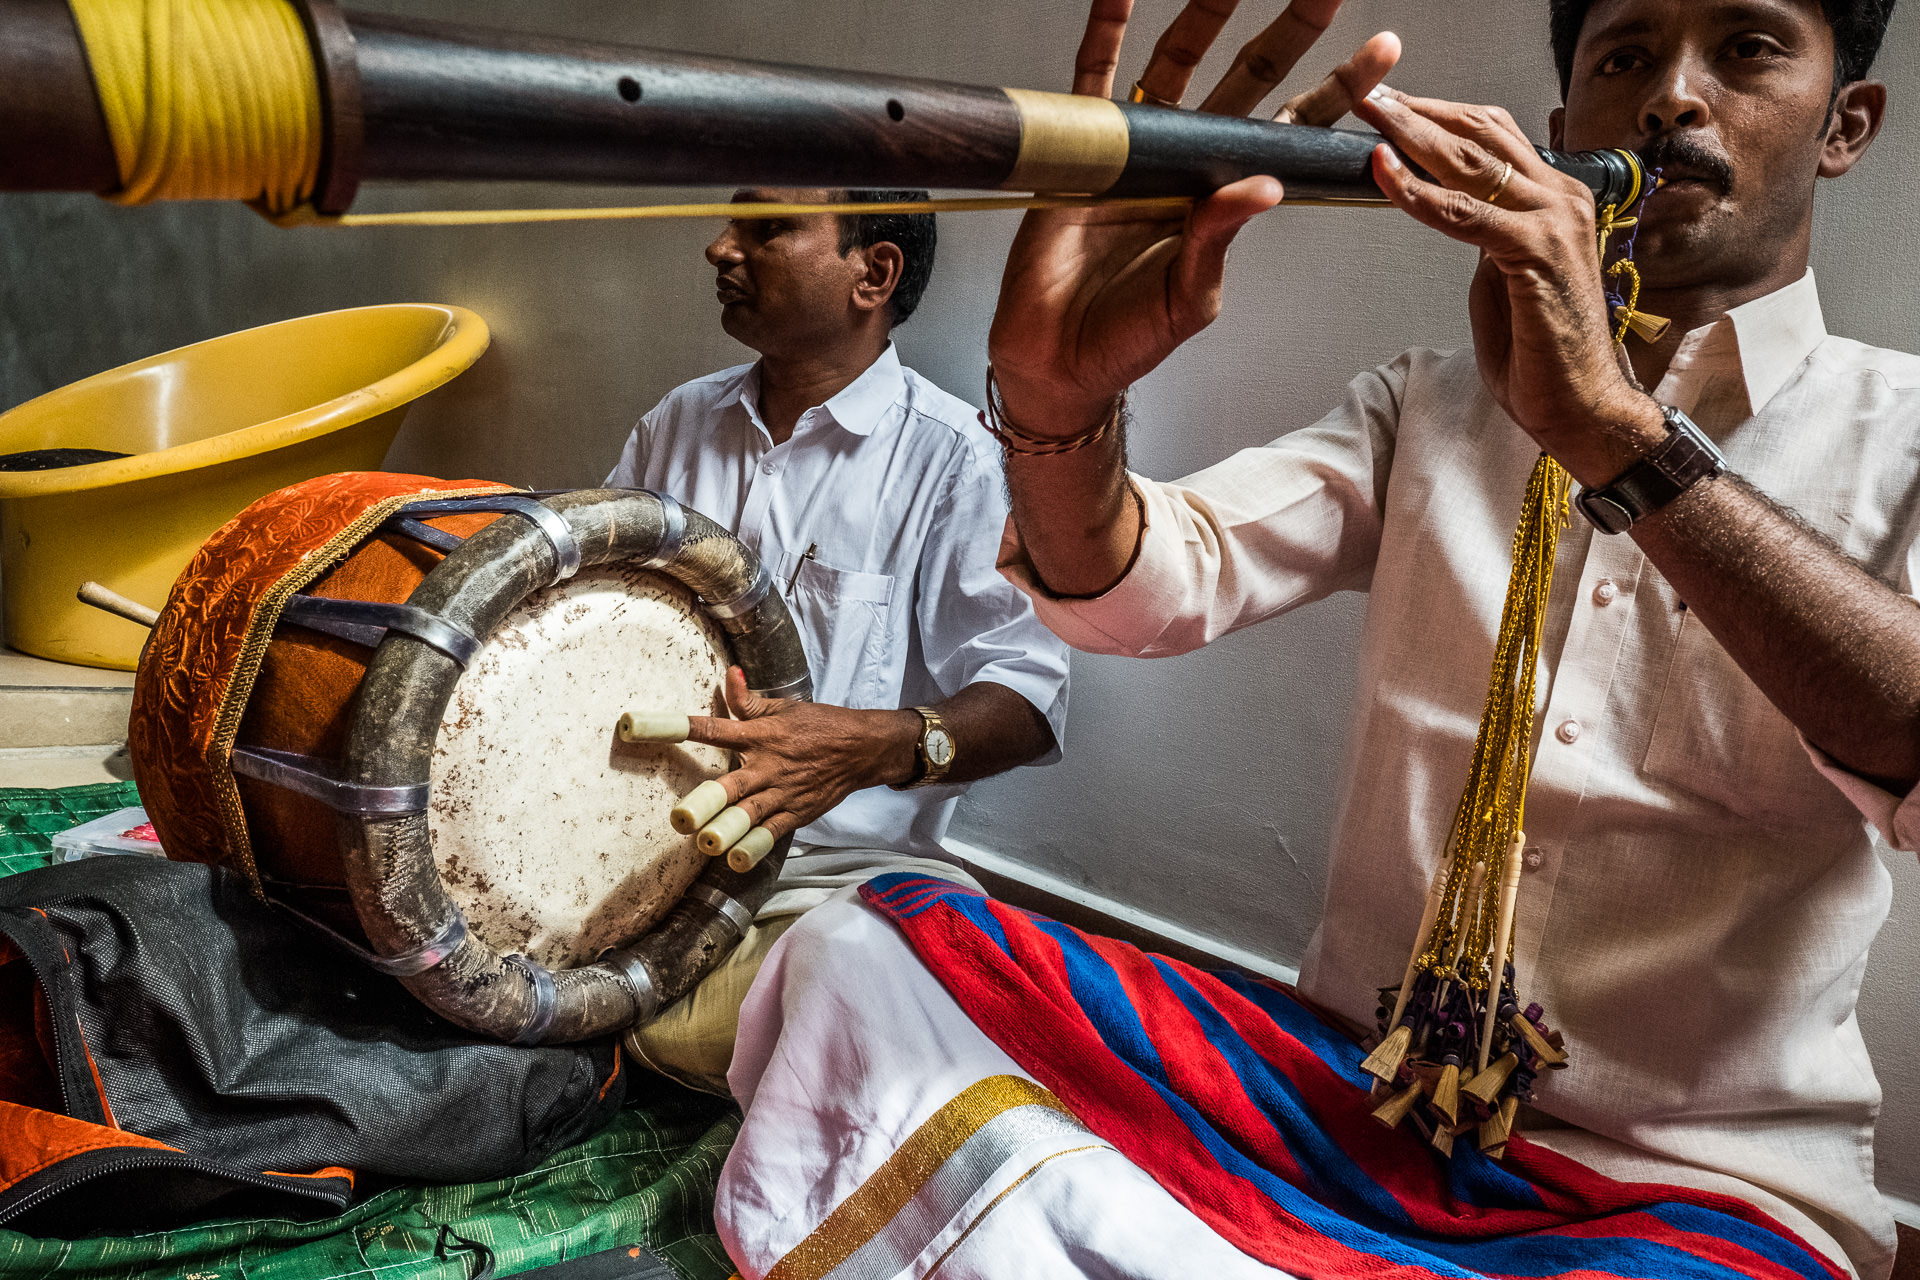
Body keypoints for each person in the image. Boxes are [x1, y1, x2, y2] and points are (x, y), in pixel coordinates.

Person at [714, 1, 1915, 1276]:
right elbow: (1142, 587)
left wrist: (1614, 429)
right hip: (1340, 1099)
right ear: (1567, 134)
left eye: (1748, 48)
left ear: (1846, 125)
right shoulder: (1433, 402)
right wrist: (1058, 404)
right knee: (873, 940)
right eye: (1626, 58)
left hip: (1687, 1194)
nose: (1673, 98)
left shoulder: (1899, 433)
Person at [604, 187, 1070, 1093]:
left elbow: (1030, 696)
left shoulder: (955, 460)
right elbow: (591, 617)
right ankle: (631, 1028)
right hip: (634, 851)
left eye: (765, 228)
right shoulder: (679, 424)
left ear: (875, 273)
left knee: (875, 972)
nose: (720, 250)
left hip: (820, 879)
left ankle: (638, 1034)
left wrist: (868, 748)